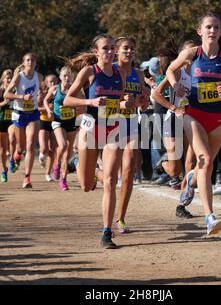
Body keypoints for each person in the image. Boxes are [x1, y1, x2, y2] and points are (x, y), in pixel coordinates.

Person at [166, 13, 221, 235]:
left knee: (204, 166)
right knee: (207, 161)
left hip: (220, 117)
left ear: (220, 32)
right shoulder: (191, 54)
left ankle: (191, 176)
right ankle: (209, 217)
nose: (213, 31)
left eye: (217, 28)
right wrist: (176, 86)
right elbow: (170, 70)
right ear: (199, 31)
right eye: (209, 27)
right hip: (194, 115)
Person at [64, 34, 133, 249]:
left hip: (113, 127)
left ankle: (106, 232)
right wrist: (90, 101)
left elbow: (120, 103)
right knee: (86, 185)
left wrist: (126, 104)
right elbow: (68, 100)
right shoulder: (89, 73)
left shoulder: (120, 74)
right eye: (105, 48)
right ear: (96, 52)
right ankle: (82, 166)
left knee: (111, 180)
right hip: (91, 128)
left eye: (112, 48)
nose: (110, 52)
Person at [152, 39, 198, 218]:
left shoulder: (199, 72)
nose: (192, 55)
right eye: (189, 51)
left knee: (191, 163)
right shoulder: (176, 72)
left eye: (194, 51)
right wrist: (174, 108)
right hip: (173, 120)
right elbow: (156, 95)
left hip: (191, 120)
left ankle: (182, 205)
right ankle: (162, 164)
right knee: (174, 170)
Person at [113, 36, 149, 233]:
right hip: (109, 122)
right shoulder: (110, 71)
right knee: (110, 175)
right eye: (125, 48)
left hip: (130, 123)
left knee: (128, 172)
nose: (129, 52)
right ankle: (88, 169)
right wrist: (120, 102)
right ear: (116, 51)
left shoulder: (138, 73)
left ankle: (120, 218)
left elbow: (142, 103)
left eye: (132, 49)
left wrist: (143, 101)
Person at [4, 53, 44, 188]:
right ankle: (18, 154)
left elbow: (41, 92)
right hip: (19, 114)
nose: (30, 62)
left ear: (35, 62)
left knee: (30, 145)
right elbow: (6, 94)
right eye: (28, 60)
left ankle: (27, 177)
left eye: (32, 60)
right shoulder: (19, 77)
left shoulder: (39, 77)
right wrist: (21, 97)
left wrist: (40, 98)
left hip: (33, 114)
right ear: (24, 62)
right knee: (20, 147)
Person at [45, 67, 78, 190]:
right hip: (58, 121)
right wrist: (48, 110)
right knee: (63, 145)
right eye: (64, 75)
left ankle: (63, 180)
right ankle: (56, 163)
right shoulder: (55, 89)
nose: (67, 78)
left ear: (72, 78)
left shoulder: (75, 90)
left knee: (68, 154)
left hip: (71, 122)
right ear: (60, 77)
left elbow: (81, 105)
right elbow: (45, 100)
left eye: (69, 75)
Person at [39, 74, 58, 182]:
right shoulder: (42, 94)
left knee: (52, 150)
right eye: (50, 82)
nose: (53, 84)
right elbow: (36, 108)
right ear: (46, 83)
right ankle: (41, 156)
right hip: (44, 121)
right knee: (44, 148)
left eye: (54, 81)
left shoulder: (59, 93)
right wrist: (47, 108)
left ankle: (48, 173)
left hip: (55, 122)